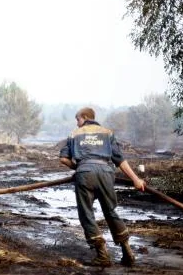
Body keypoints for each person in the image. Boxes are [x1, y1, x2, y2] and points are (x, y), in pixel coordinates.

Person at [59, 107, 146, 267]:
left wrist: (78, 168)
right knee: (110, 211)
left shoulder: (74, 134)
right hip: (106, 173)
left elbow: (63, 159)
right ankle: (128, 252)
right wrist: (136, 179)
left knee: (86, 214)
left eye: (77, 120)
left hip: (85, 174)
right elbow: (120, 160)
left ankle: (102, 255)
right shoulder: (107, 133)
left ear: (84, 117)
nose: (77, 124)